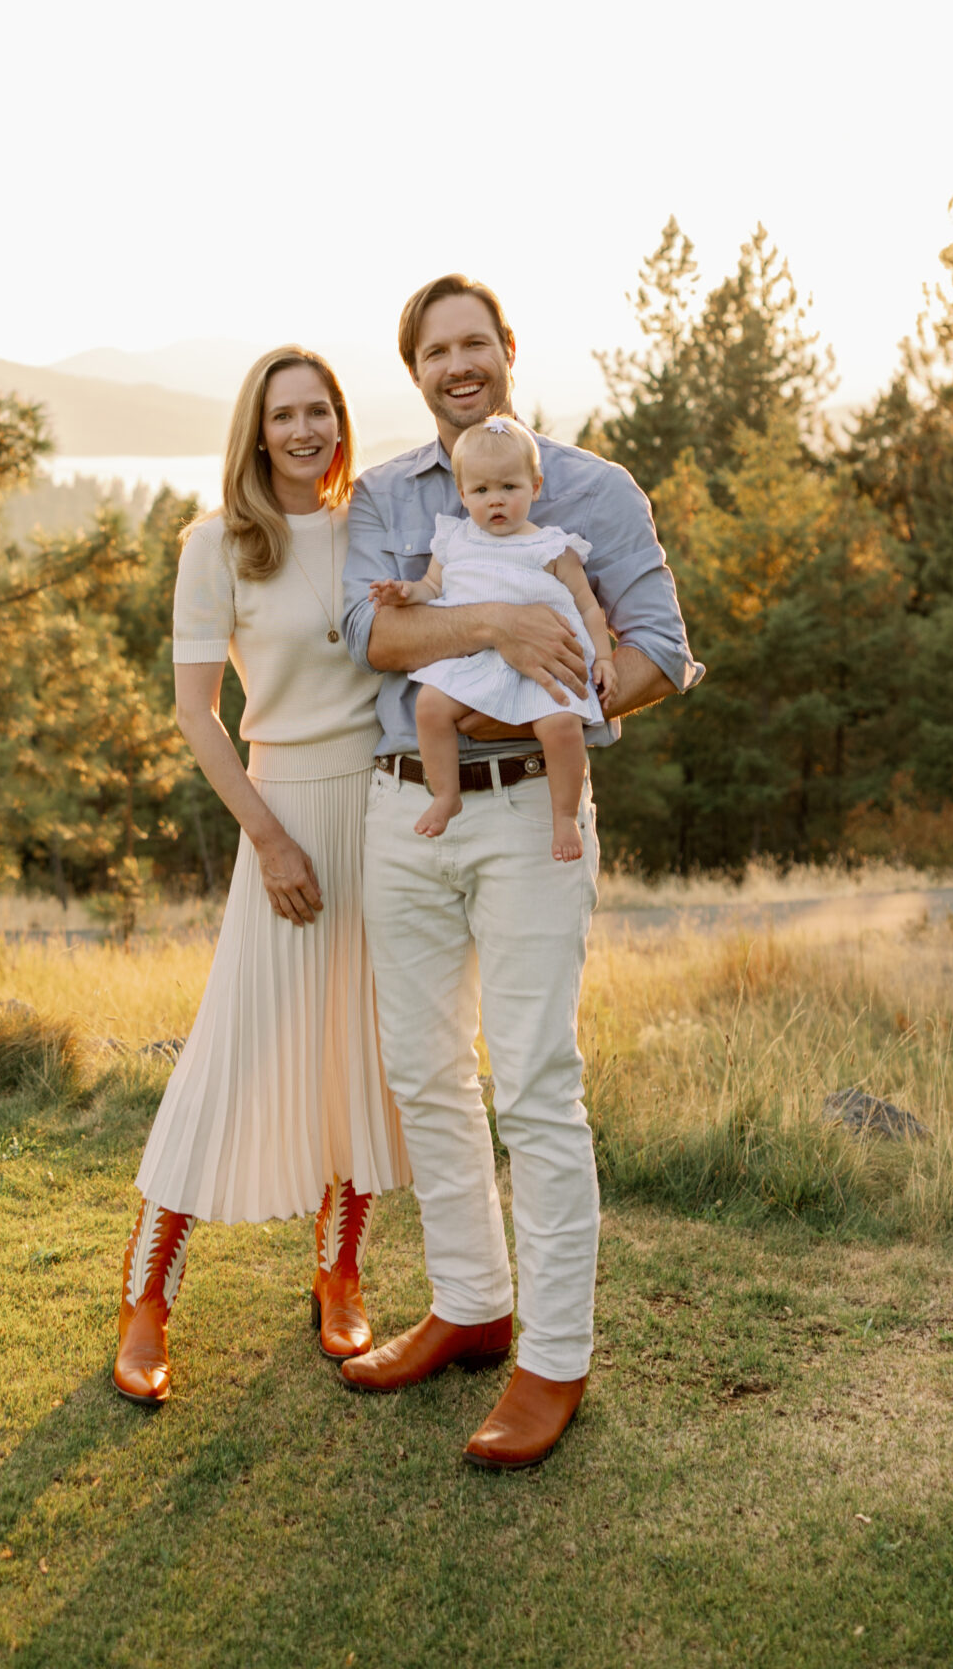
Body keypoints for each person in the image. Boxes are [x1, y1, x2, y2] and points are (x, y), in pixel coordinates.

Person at [339, 275, 703, 1468]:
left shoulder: (593, 492)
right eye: (435, 350)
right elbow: (373, 634)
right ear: (416, 369)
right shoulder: (391, 494)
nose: (459, 364)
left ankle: (553, 1358)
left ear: (508, 349)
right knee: (425, 1069)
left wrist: (565, 694)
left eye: (476, 343)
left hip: (534, 815)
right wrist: (496, 632)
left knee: (537, 1078)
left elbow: (660, 651)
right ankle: (468, 1302)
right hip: (408, 809)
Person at [114, 346, 411, 1406]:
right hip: (281, 809)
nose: (305, 430)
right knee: (233, 1048)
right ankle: (147, 1295)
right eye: (285, 414)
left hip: (380, 804)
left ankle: (338, 1270)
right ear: (257, 428)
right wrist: (269, 839)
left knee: (365, 1045)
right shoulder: (217, 546)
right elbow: (198, 713)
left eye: (320, 410)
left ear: (341, 421)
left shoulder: (373, 525)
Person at [370, 414, 615, 862]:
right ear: (463, 494)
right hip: (476, 660)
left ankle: (563, 815)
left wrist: (603, 658)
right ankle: (445, 793)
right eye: (481, 491)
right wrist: (403, 594)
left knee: (561, 726)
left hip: (543, 665)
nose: (495, 501)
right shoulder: (455, 541)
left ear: (535, 486)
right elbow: (431, 589)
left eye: (509, 488)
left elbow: (587, 607)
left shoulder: (551, 547)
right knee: (430, 706)